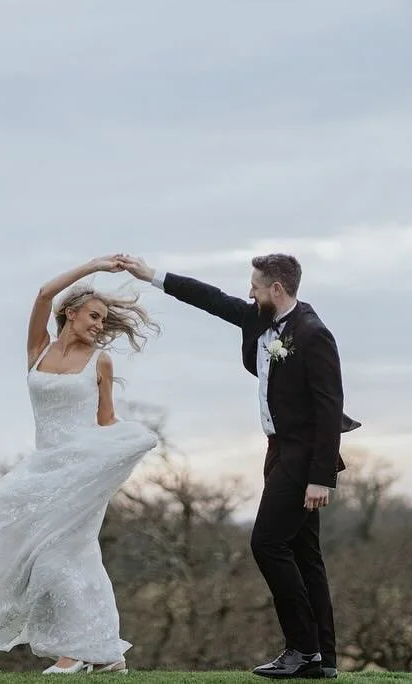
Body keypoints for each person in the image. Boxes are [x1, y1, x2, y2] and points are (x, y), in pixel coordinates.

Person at [117, 253, 358, 680]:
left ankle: (301, 650)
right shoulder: (260, 320)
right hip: (278, 449)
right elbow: (208, 298)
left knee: (266, 544)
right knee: (304, 553)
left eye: (256, 286)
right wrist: (150, 275)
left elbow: (329, 407)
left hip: (304, 455)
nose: (249, 292)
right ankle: (323, 657)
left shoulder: (313, 333)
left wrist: (321, 478)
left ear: (277, 289)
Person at [0, 255, 160, 675]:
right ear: (70, 312)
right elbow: (43, 292)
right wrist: (95, 265)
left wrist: (128, 443)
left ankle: (74, 651)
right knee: (73, 557)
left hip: (81, 473)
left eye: (103, 319)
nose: (99, 325)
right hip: (43, 471)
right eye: (94, 316)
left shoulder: (100, 361)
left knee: (58, 557)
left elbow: (106, 421)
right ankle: (106, 652)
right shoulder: (37, 350)